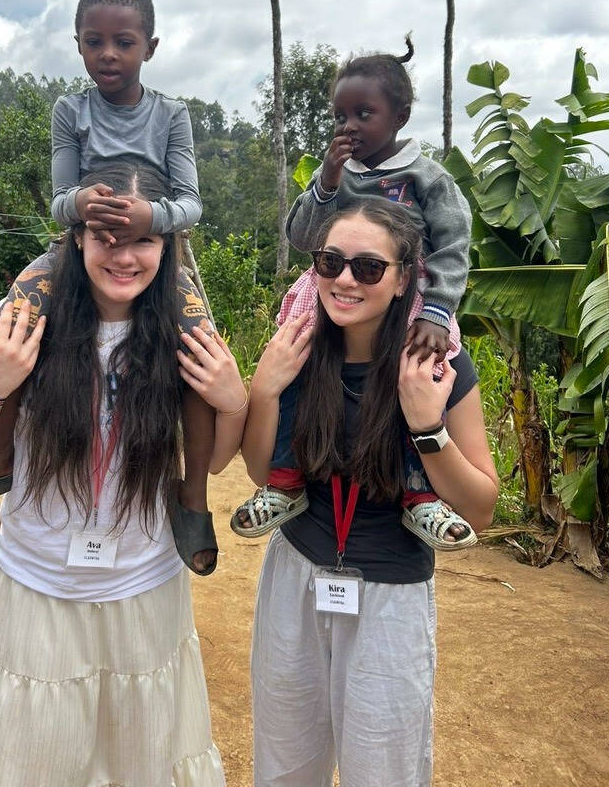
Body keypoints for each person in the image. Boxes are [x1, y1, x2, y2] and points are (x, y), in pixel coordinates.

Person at [0, 162, 245, 787]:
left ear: (166, 244)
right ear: (76, 237)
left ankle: (191, 509)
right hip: (37, 584)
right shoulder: (18, 319)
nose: (123, 256)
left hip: (144, 586)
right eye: (105, 237)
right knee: (36, 758)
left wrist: (233, 402)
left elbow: (212, 460)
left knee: (143, 758)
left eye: (142, 240)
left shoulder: (184, 333)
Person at [0, 0, 219, 574]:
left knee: (197, 351)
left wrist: (149, 218)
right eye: (94, 41)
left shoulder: (171, 115)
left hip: (154, 254)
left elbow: (191, 204)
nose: (108, 54)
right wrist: (81, 204)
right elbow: (60, 201)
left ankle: (192, 497)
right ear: (78, 45)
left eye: (124, 42)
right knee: (20, 315)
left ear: (150, 48)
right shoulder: (70, 110)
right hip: (80, 247)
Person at [228, 201, 497, 786]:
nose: (345, 280)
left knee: (382, 770)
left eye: (369, 268)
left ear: (404, 279)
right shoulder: (298, 348)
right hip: (296, 579)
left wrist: (427, 428)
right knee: (285, 764)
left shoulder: (436, 366)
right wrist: (265, 390)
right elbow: (260, 471)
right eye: (330, 262)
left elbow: (479, 508)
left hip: (391, 597)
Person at [231, 37, 477, 551]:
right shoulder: (336, 177)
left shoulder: (427, 178)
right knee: (294, 361)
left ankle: (419, 494)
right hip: (328, 287)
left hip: (411, 300)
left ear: (400, 117)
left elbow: (454, 247)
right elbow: (303, 237)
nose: (350, 126)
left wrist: (436, 311)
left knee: (419, 378)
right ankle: (284, 480)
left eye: (364, 114)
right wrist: (326, 182)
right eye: (341, 116)